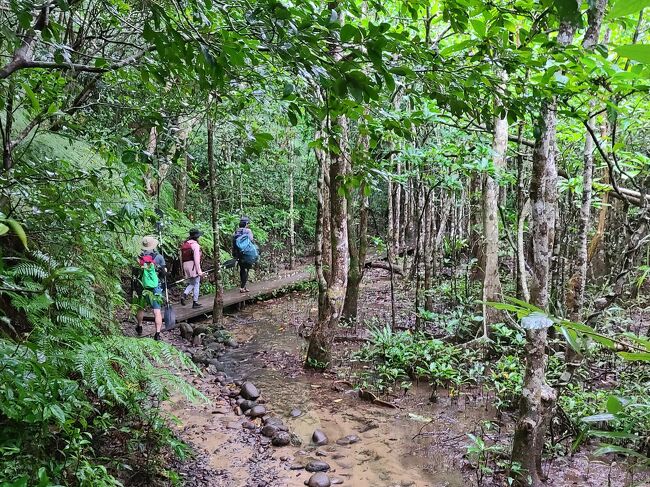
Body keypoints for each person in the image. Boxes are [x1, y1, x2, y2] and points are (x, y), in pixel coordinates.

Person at [134, 235, 166, 340]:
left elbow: (135, 273)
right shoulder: (159, 257)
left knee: (141, 308)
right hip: (155, 286)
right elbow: (164, 273)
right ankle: (157, 334)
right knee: (157, 311)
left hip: (142, 286)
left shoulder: (138, 258)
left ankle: (139, 326)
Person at [180, 228, 204, 308]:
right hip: (193, 266)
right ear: (197, 237)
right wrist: (199, 271)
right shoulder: (195, 245)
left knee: (192, 283)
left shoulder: (185, 244)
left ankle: (184, 294)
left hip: (185, 265)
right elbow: (196, 259)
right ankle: (195, 302)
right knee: (196, 283)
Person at [232, 217, 255, 293]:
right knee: (247, 269)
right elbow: (251, 239)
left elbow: (233, 242)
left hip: (238, 253)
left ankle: (243, 286)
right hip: (246, 253)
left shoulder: (236, 231)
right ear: (246, 224)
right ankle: (243, 287)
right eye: (248, 223)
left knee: (242, 269)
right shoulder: (248, 231)